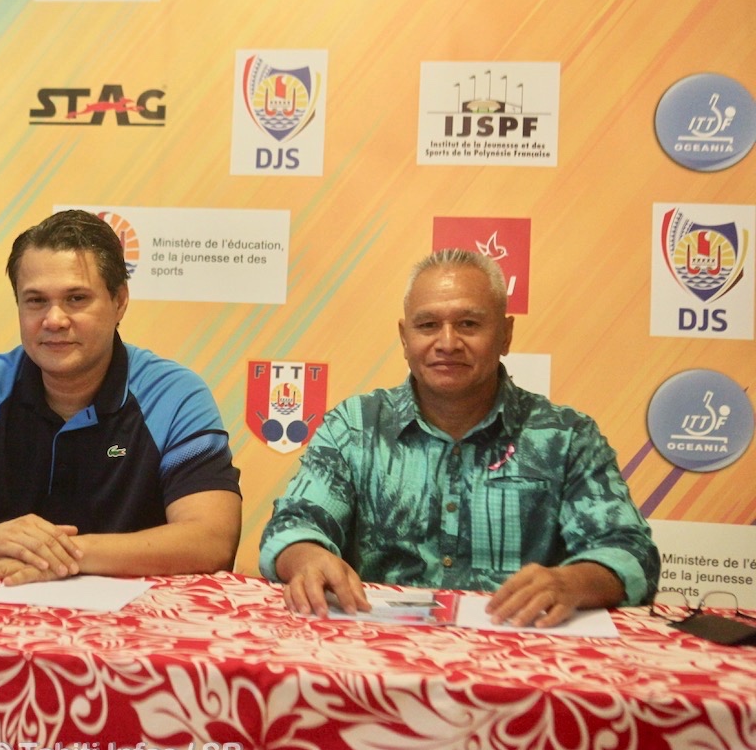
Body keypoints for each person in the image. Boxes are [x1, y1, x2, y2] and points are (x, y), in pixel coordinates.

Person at [260, 248, 659, 628]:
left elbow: (631, 552)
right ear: (404, 337)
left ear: (505, 334)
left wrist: (571, 583)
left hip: (520, 652)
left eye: (468, 324)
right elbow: (292, 525)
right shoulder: (356, 426)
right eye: (427, 325)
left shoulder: (565, 437)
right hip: (376, 650)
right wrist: (305, 558)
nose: (447, 343)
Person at [0, 209, 242, 584]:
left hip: (135, 619)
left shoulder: (174, 396)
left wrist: (60, 556)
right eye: (36, 300)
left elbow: (211, 540)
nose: (54, 320)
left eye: (76, 298)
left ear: (119, 301)